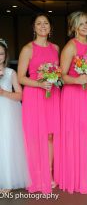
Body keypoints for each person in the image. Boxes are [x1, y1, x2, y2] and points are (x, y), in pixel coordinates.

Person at [18, 13, 60, 193]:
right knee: (35, 137)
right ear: (34, 28)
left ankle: (49, 173)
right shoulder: (27, 49)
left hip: (52, 95)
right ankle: (36, 175)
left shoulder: (56, 48)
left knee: (50, 136)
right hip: (34, 96)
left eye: (46, 23)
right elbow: (20, 77)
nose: (43, 26)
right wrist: (40, 83)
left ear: (50, 28)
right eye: (38, 23)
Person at [56, 11, 87, 194]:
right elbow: (61, 76)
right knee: (73, 135)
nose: (85, 26)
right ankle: (73, 177)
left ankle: (86, 177)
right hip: (72, 95)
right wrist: (77, 80)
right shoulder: (70, 47)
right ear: (74, 27)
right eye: (81, 24)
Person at [0, 39, 29, 193]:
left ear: (5, 56)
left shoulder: (11, 72)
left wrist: (4, 93)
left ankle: (7, 182)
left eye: (1, 53)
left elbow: (20, 95)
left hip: (7, 112)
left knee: (6, 144)